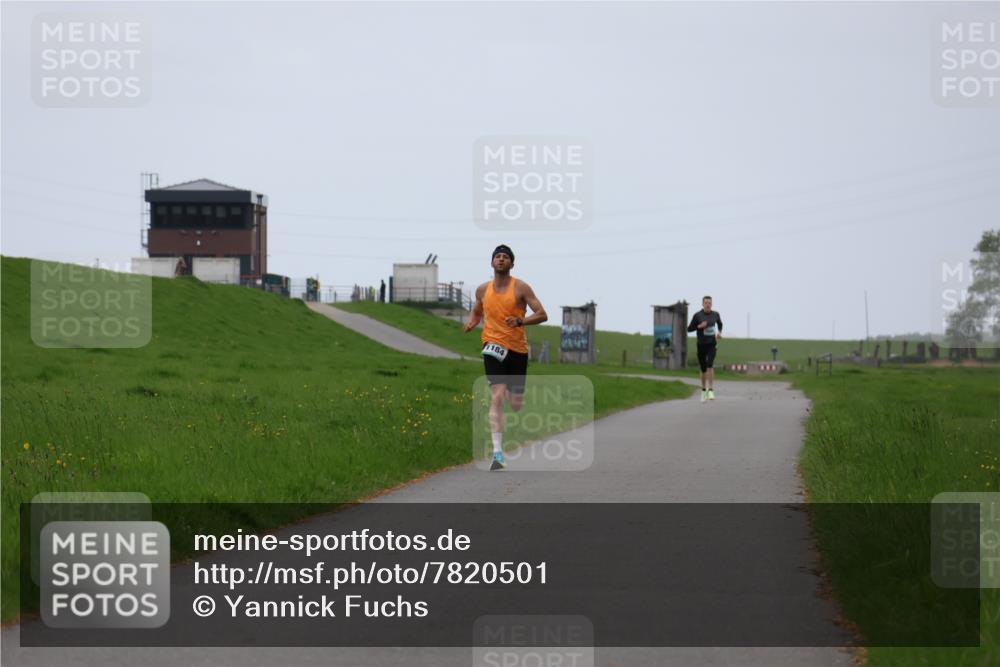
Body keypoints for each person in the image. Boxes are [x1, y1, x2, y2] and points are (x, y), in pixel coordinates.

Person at [463, 245, 548, 470]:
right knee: (497, 396)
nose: (501, 260)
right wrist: (473, 320)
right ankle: (497, 454)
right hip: (492, 345)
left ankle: (515, 393)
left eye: (506, 257)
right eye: (497, 257)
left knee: (516, 403)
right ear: (492, 262)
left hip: (518, 350)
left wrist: (521, 321)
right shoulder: (482, 289)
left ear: (512, 264)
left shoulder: (521, 288)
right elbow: (478, 308)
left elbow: (542, 314)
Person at [688, 296, 723, 402]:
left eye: (709, 302)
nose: (708, 304)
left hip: (712, 344)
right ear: (702, 304)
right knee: (703, 369)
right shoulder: (698, 315)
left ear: (711, 304)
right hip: (701, 345)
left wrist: (719, 333)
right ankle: (703, 390)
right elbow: (689, 329)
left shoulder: (715, 314)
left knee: (710, 364)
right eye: (706, 302)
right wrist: (699, 326)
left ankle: (711, 390)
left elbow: (720, 324)